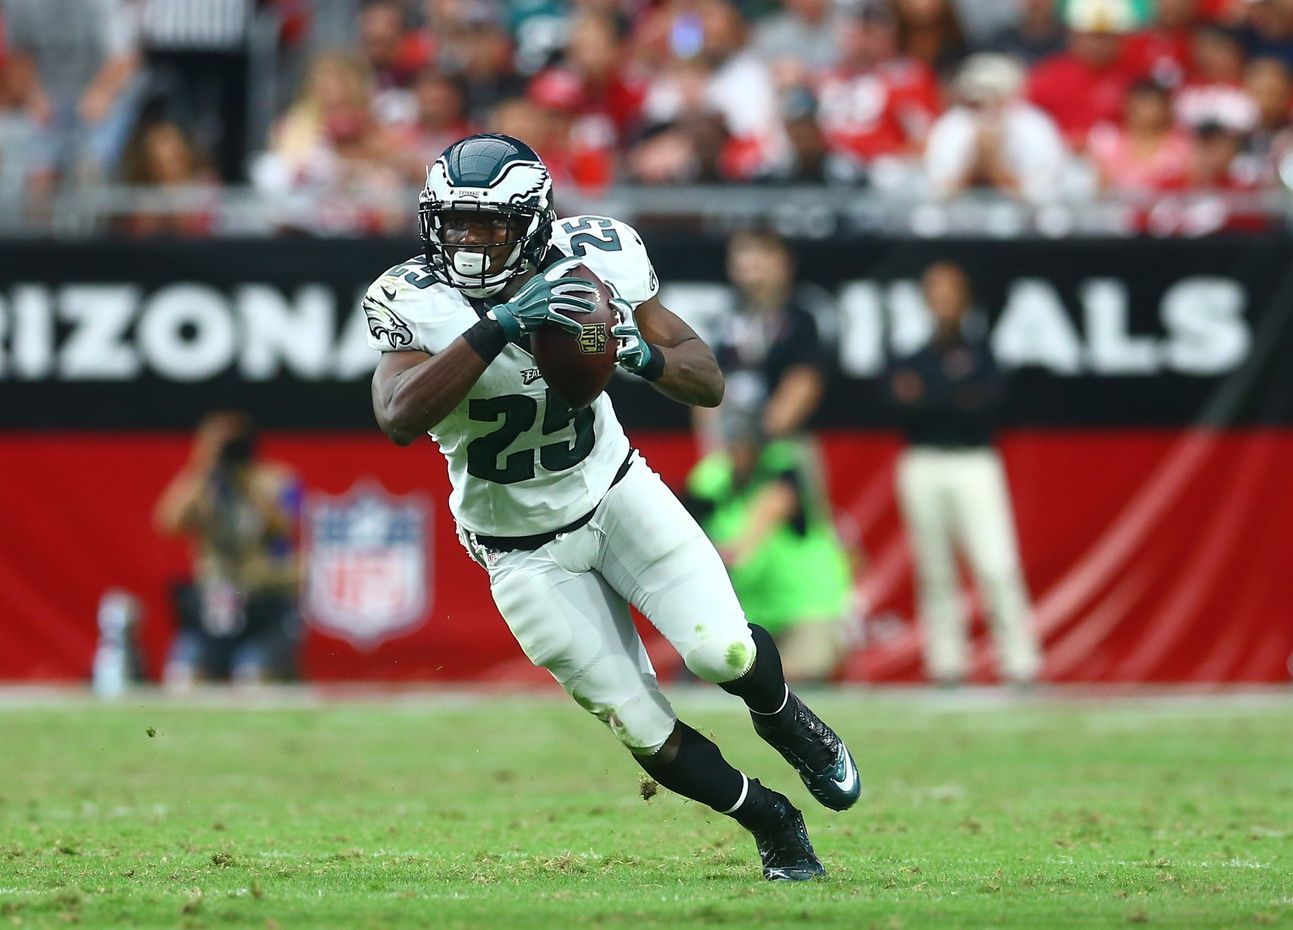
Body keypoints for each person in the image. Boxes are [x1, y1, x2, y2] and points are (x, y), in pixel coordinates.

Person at [363, 133, 860, 881]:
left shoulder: (598, 256)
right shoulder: (410, 297)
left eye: (489, 223)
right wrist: (497, 324)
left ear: (532, 221)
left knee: (720, 651)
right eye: (455, 221)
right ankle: (770, 818)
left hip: (615, 492)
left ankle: (783, 715)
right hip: (517, 545)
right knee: (643, 727)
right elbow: (399, 415)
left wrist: (638, 354)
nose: (468, 240)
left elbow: (706, 380)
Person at [888, 262, 1041, 687]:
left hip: (974, 460)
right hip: (922, 462)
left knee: (996, 564)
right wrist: (955, 396)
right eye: (935, 291)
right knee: (935, 569)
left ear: (965, 299)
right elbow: (901, 405)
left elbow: (990, 403)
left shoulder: (983, 353)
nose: (943, 301)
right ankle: (947, 664)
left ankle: (1020, 662)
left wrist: (935, 397)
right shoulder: (912, 355)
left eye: (950, 291)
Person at [686, 400, 854, 684]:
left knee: (798, 674)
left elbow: (776, 502)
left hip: (805, 607)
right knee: (724, 673)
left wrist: (739, 549)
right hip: (750, 616)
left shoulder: (782, 464)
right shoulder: (711, 477)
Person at [154, 412, 303, 687]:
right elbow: (168, 523)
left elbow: (284, 528)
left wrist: (247, 483)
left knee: (253, 679)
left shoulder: (278, 479)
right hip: (212, 607)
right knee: (183, 679)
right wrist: (204, 469)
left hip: (263, 604)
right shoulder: (202, 485)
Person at [923, 53, 1067, 202]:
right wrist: (977, 162)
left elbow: (1040, 196)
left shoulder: (1034, 125)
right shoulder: (952, 124)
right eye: (978, 99)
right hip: (958, 218)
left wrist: (995, 170)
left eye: (994, 96)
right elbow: (940, 193)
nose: (987, 107)